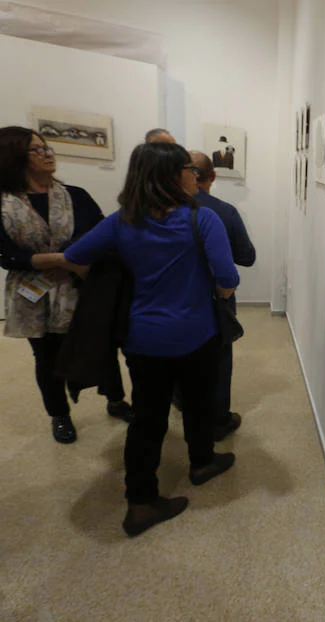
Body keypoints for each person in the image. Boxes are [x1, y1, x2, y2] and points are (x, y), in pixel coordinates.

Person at [35, 142, 239, 537]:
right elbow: (227, 279)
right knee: (198, 402)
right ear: (171, 175)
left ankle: (141, 502)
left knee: (148, 418)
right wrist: (222, 295)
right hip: (197, 333)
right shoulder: (204, 220)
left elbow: (77, 255)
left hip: (144, 337)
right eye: (188, 169)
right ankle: (202, 463)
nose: (194, 176)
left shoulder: (121, 221)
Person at [0, 126, 133, 444]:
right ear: (14, 157)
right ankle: (59, 415)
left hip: (81, 286)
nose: (47, 153)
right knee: (46, 359)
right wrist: (64, 258)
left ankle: (115, 400)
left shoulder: (76, 195)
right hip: (33, 295)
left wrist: (81, 261)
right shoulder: (4, 204)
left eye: (46, 147)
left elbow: (103, 234)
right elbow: (8, 256)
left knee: (103, 347)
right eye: (37, 150)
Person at [188, 150, 255, 440]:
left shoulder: (158, 209)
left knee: (184, 357)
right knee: (219, 359)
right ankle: (218, 420)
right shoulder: (224, 212)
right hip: (215, 298)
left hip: (174, 299)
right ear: (212, 176)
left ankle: (184, 403)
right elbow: (247, 257)